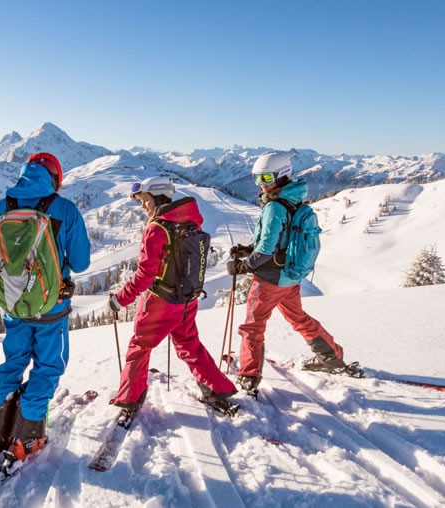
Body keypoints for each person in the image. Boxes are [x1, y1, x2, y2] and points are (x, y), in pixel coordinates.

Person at [0, 152, 91, 462]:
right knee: (48, 366)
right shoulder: (64, 209)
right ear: (55, 179)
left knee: (13, 362)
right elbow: (82, 262)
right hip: (50, 305)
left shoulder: (1, 207)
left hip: (14, 304)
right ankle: (26, 439)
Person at [108, 176, 238, 418]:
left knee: (139, 346)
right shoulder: (190, 223)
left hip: (160, 301)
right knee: (190, 344)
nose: (143, 206)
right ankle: (216, 391)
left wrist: (120, 299)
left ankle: (129, 399)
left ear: (157, 198)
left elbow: (146, 275)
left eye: (145, 200)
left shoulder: (157, 229)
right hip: (187, 299)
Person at [227, 152, 346, 394]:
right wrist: (248, 250)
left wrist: (245, 265)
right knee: (298, 317)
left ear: (282, 176)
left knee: (253, 325)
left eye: (267, 177)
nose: (261, 183)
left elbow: (268, 247)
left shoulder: (274, 206)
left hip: (269, 279)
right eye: (256, 177)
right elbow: (280, 240)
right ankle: (331, 356)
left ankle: (248, 376)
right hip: (289, 276)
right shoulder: (292, 200)